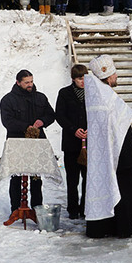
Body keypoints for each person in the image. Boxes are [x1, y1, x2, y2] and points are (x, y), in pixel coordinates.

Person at [84, 55, 132, 238]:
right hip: (121, 152)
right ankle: (125, 227)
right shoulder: (106, 95)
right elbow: (119, 121)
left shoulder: (98, 94)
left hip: (110, 150)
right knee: (125, 189)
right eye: (115, 73)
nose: (116, 77)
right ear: (109, 76)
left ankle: (107, 227)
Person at [0, 70, 56, 214]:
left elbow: (51, 114)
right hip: (16, 143)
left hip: (37, 143)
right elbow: (7, 121)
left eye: (31, 81)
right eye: (26, 82)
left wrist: (42, 121)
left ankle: (37, 208)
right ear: (18, 82)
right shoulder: (7, 100)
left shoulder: (40, 98)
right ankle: (15, 209)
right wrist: (26, 127)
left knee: (36, 178)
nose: (30, 85)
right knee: (16, 178)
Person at [56, 65, 88, 220]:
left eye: (84, 78)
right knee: (72, 178)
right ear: (73, 79)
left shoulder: (92, 93)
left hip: (89, 142)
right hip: (71, 142)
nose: (83, 82)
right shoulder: (64, 93)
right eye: (80, 79)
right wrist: (73, 129)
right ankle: (73, 209)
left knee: (88, 177)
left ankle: (85, 207)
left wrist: (90, 130)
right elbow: (60, 116)